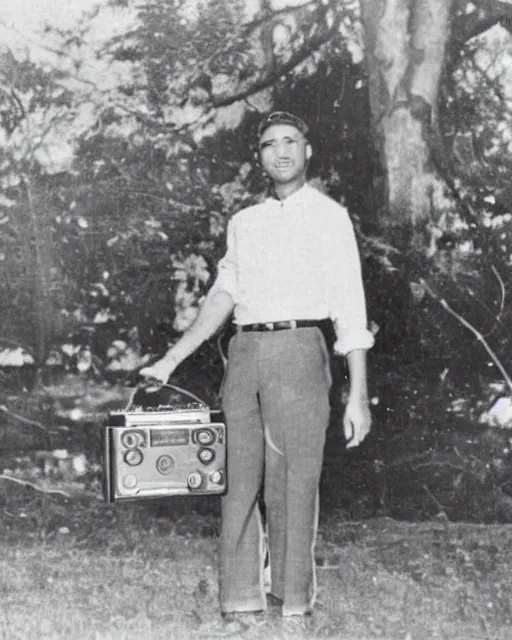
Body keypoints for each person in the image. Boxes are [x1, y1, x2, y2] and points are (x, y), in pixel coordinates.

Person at [139, 111, 374, 622]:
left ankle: (292, 600)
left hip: (301, 347)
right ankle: (242, 599)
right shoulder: (244, 222)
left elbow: (350, 307)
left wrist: (358, 393)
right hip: (244, 352)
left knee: (294, 478)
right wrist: (172, 359)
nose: (282, 151)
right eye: (270, 144)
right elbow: (224, 295)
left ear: (308, 150)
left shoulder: (330, 216)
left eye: (291, 141)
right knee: (236, 476)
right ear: (260, 157)